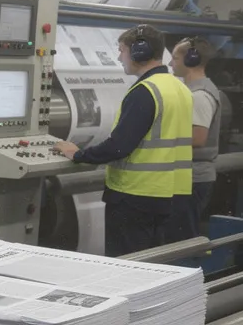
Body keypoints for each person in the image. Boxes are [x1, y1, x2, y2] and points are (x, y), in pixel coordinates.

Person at [53, 25, 193, 256]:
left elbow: (119, 146)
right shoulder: (179, 88)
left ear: (140, 52)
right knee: (154, 261)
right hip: (168, 194)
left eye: (121, 50)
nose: (119, 57)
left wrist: (77, 154)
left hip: (135, 196)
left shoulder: (146, 91)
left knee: (128, 263)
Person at [169, 37, 221, 238]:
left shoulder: (199, 95)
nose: (170, 63)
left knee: (180, 238)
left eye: (174, 58)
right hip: (190, 176)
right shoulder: (194, 91)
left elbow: (198, 137)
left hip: (192, 178)